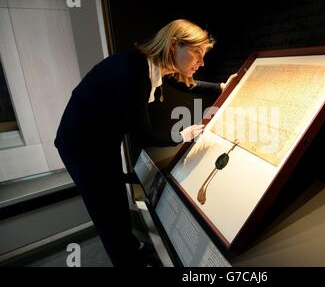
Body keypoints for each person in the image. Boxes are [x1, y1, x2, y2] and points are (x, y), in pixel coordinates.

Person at [54, 19, 235, 267]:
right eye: (197, 53)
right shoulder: (133, 72)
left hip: (101, 139)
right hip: (81, 146)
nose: (201, 62)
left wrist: (221, 87)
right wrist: (182, 135)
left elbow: (179, 81)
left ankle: (133, 249)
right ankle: (127, 259)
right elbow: (144, 136)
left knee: (116, 200)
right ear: (174, 45)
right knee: (107, 212)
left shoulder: (151, 64)